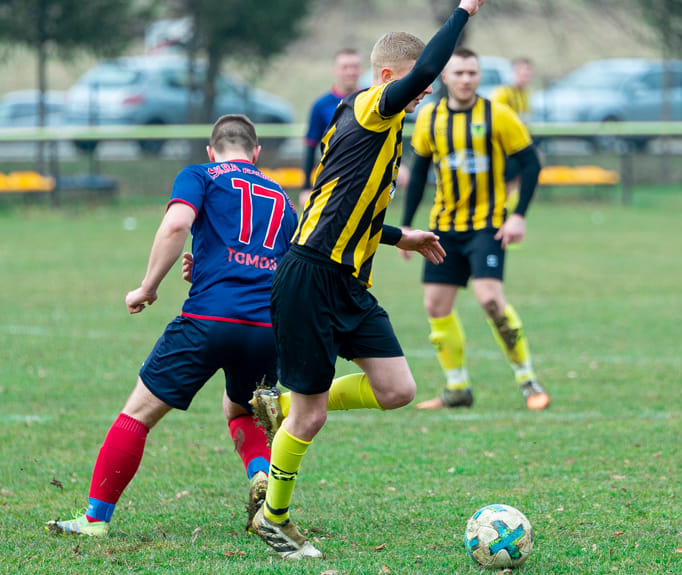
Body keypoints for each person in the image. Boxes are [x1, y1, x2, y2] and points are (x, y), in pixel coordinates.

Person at [248, 0, 484, 561]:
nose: (424, 92)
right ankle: (274, 519)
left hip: (348, 282)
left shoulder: (384, 129)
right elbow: (427, 71)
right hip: (309, 276)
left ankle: (281, 407)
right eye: (414, 84)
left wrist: (404, 237)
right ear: (386, 78)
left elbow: (350, 209)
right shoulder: (372, 108)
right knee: (313, 416)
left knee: (398, 390)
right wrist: (462, 11)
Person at [46, 114, 297, 537]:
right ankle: (259, 474)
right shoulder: (284, 198)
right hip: (266, 327)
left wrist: (147, 287)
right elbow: (279, 264)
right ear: (257, 153)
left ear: (210, 150)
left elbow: (178, 223)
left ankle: (94, 519)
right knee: (242, 410)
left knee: (137, 416)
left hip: (208, 320)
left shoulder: (199, 174)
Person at [399, 48, 550, 412]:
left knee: (490, 300)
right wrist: (407, 224)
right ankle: (457, 388)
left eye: (472, 73)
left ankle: (527, 379)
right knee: (435, 305)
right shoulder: (429, 117)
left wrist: (519, 215)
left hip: (487, 225)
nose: (466, 79)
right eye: (459, 73)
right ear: (445, 79)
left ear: (479, 77)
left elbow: (531, 163)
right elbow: (418, 173)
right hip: (443, 229)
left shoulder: (497, 115)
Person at [299, 48, 363, 209]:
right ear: (335, 70)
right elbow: (310, 145)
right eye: (345, 67)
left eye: (355, 67)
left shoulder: (371, 100)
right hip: (332, 182)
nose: (350, 72)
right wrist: (306, 187)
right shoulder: (321, 105)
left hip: (365, 179)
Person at [491, 57, 536, 210]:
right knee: (505, 184)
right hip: (505, 148)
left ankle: (508, 212)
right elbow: (492, 118)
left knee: (518, 181)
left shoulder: (525, 94)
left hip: (519, 146)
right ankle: (500, 212)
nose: (525, 77)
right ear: (513, 73)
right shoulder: (503, 93)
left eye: (528, 74)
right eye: (522, 72)